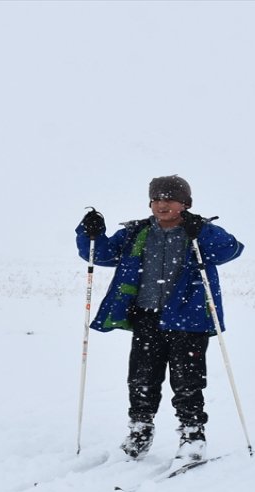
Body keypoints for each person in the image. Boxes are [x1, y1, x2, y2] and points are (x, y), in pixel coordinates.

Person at [75, 175, 243, 462]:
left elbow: (231, 249)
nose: (162, 204)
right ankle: (140, 431)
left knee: (187, 381)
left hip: (189, 320)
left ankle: (193, 435)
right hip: (146, 317)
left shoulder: (197, 232)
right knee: (142, 378)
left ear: (185, 204)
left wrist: (202, 230)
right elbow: (100, 254)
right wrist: (89, 233)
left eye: (170, 199)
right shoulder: (136, 233)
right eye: (157, 199)